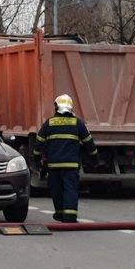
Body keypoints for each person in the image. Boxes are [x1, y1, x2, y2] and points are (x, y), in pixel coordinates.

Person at [32, 94, 97, 223]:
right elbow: (89, 143)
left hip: (54, 165)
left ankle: (60, 213)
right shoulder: (77, 123)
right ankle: (70, 216)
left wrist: (36, 161)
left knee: (56, 189)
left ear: (56, 107)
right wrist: (94, 158)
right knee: (70, 189)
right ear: (71, 108)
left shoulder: (49, 123)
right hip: (71, 166)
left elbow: (39, 144)